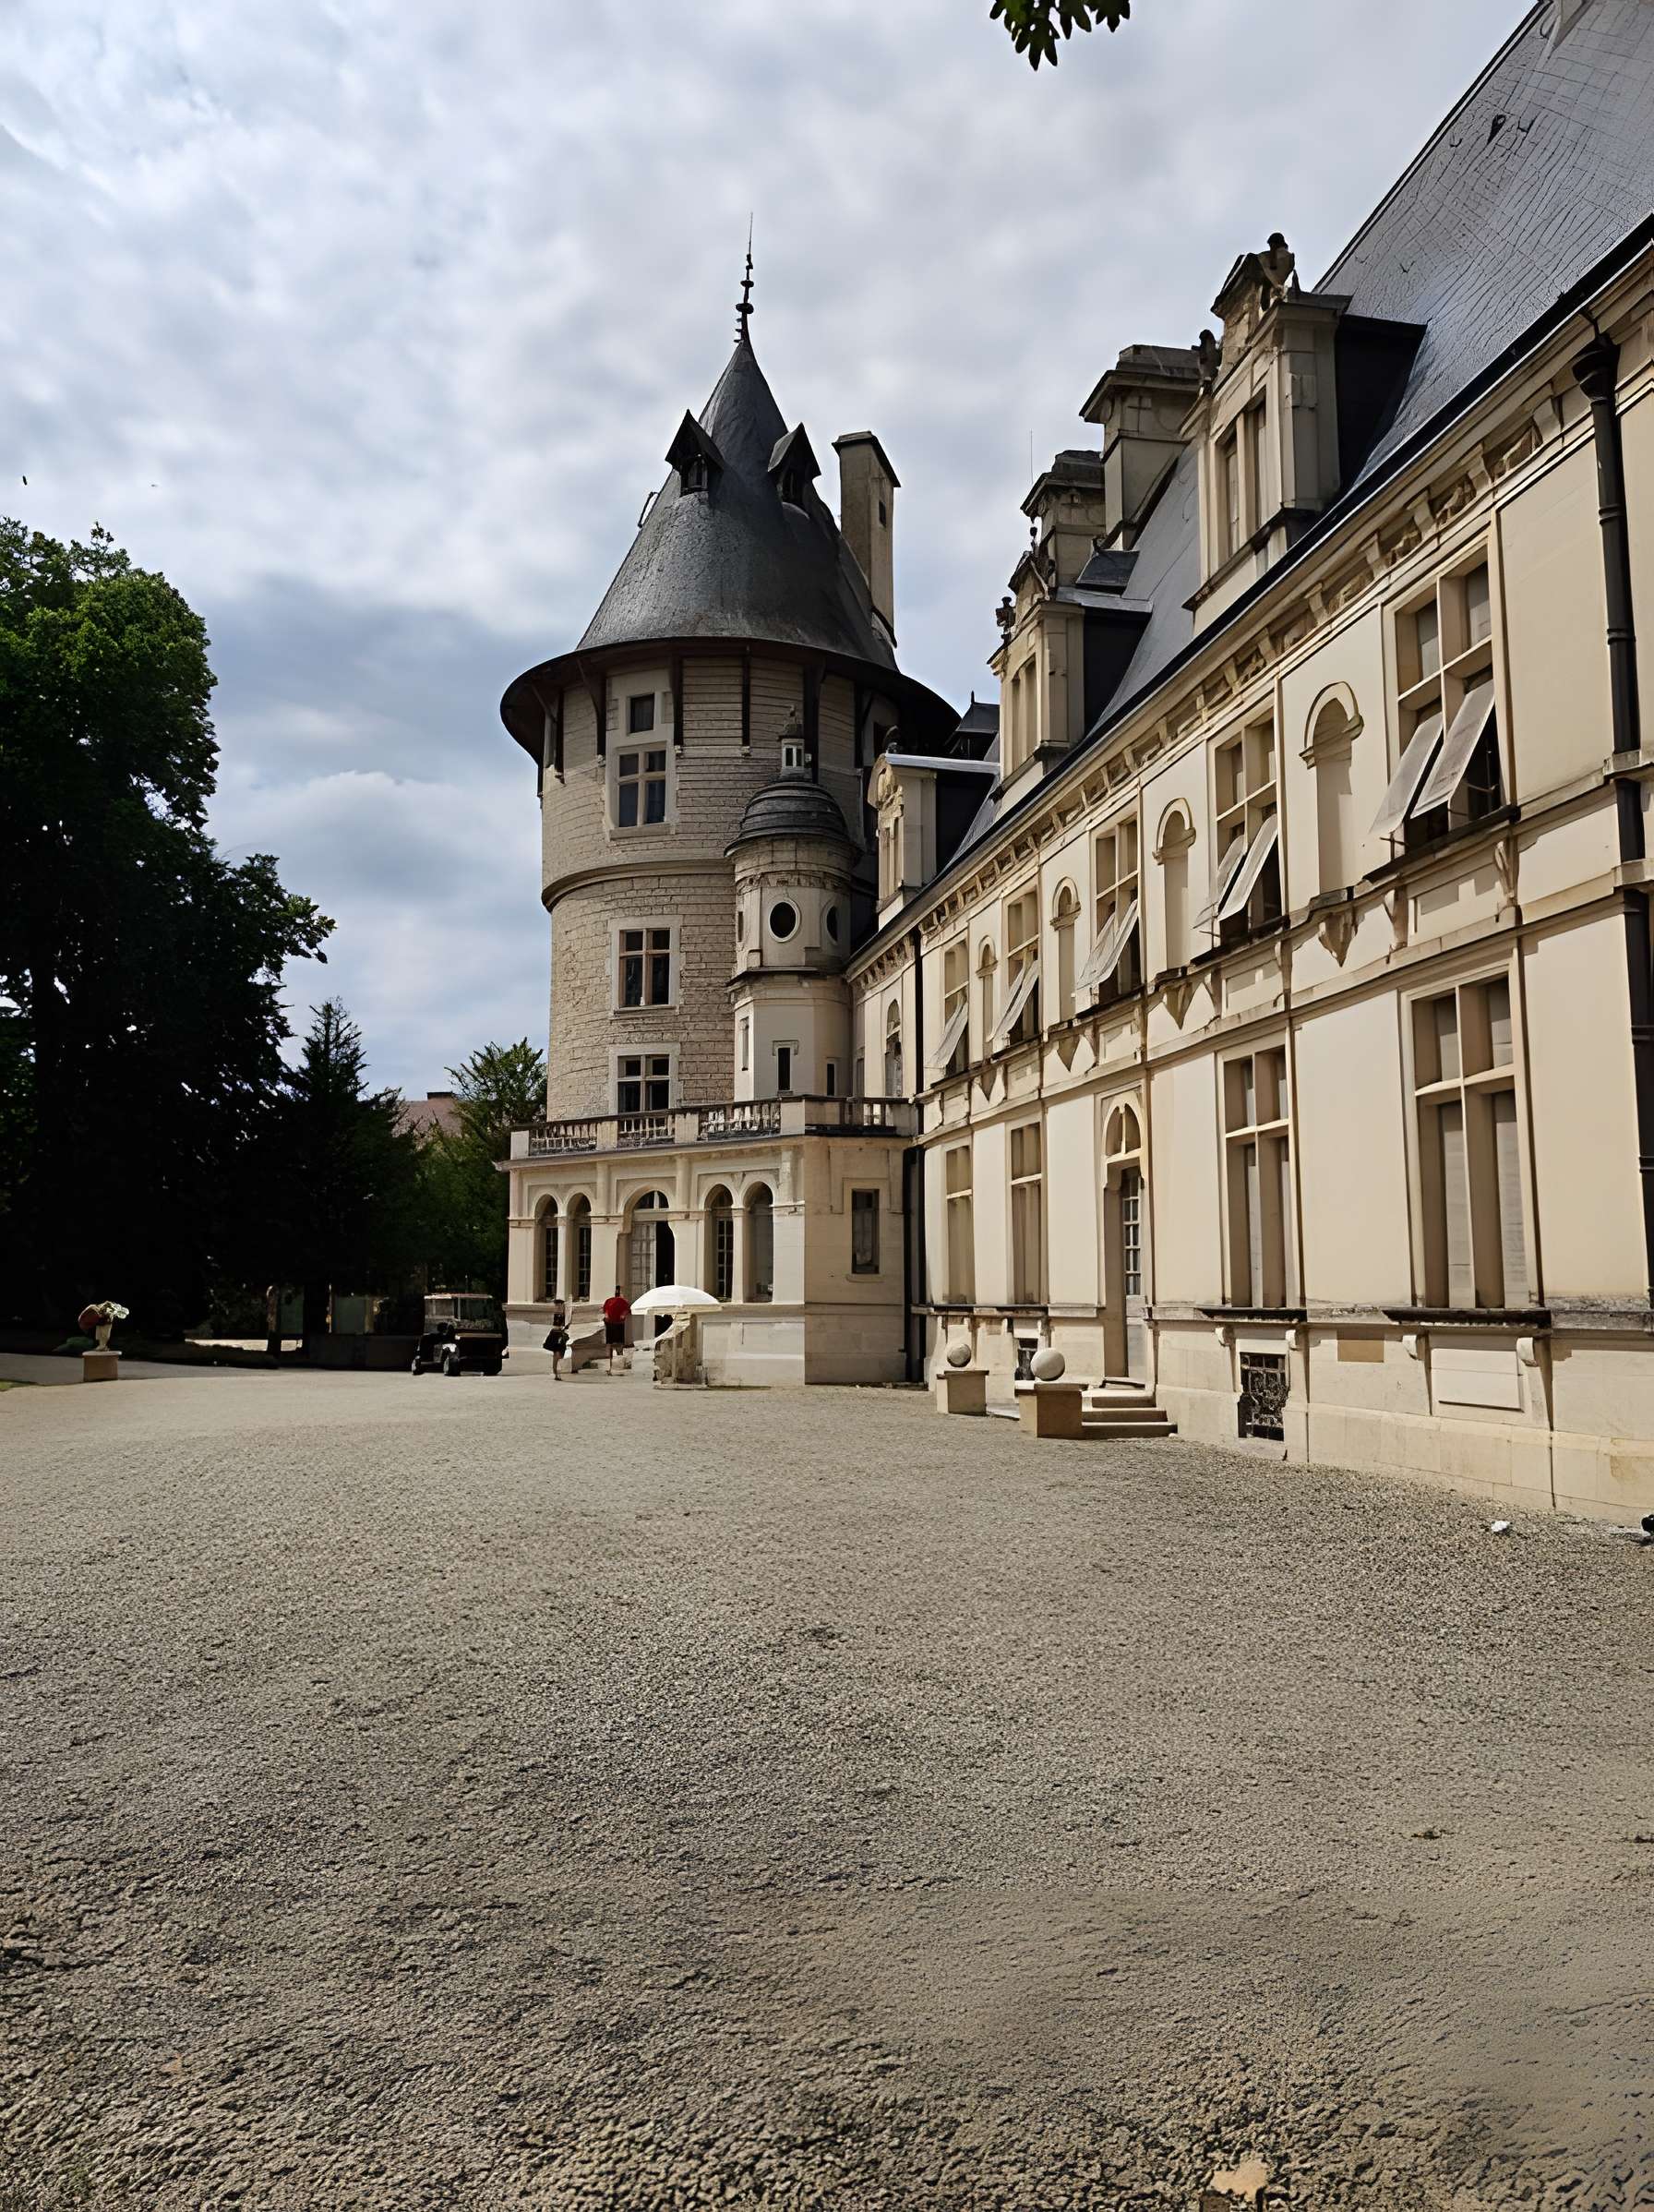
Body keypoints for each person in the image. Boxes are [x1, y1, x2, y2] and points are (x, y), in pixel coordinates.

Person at [602, 1285, 630, 1372]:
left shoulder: (610, 1301)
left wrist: (607, 1316)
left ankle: (613, 1364)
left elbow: (605, 1311)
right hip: (616, 1324)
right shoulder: (622, 1301)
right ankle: (615, 1363)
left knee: (613, 1343)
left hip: (613, 1323)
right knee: (616, 1343)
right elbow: (627, 1310)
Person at [542, 1299, 569, 1381]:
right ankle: (556, 1372)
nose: (557, 1307)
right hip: (556, 1334)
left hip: (560, 1334)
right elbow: (556, 1325)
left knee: (559, 1354)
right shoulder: (557, 1315)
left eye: (559, 1305)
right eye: (556, 1305)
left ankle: (556, 1371)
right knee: (557, 1353)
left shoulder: (564, 1315)